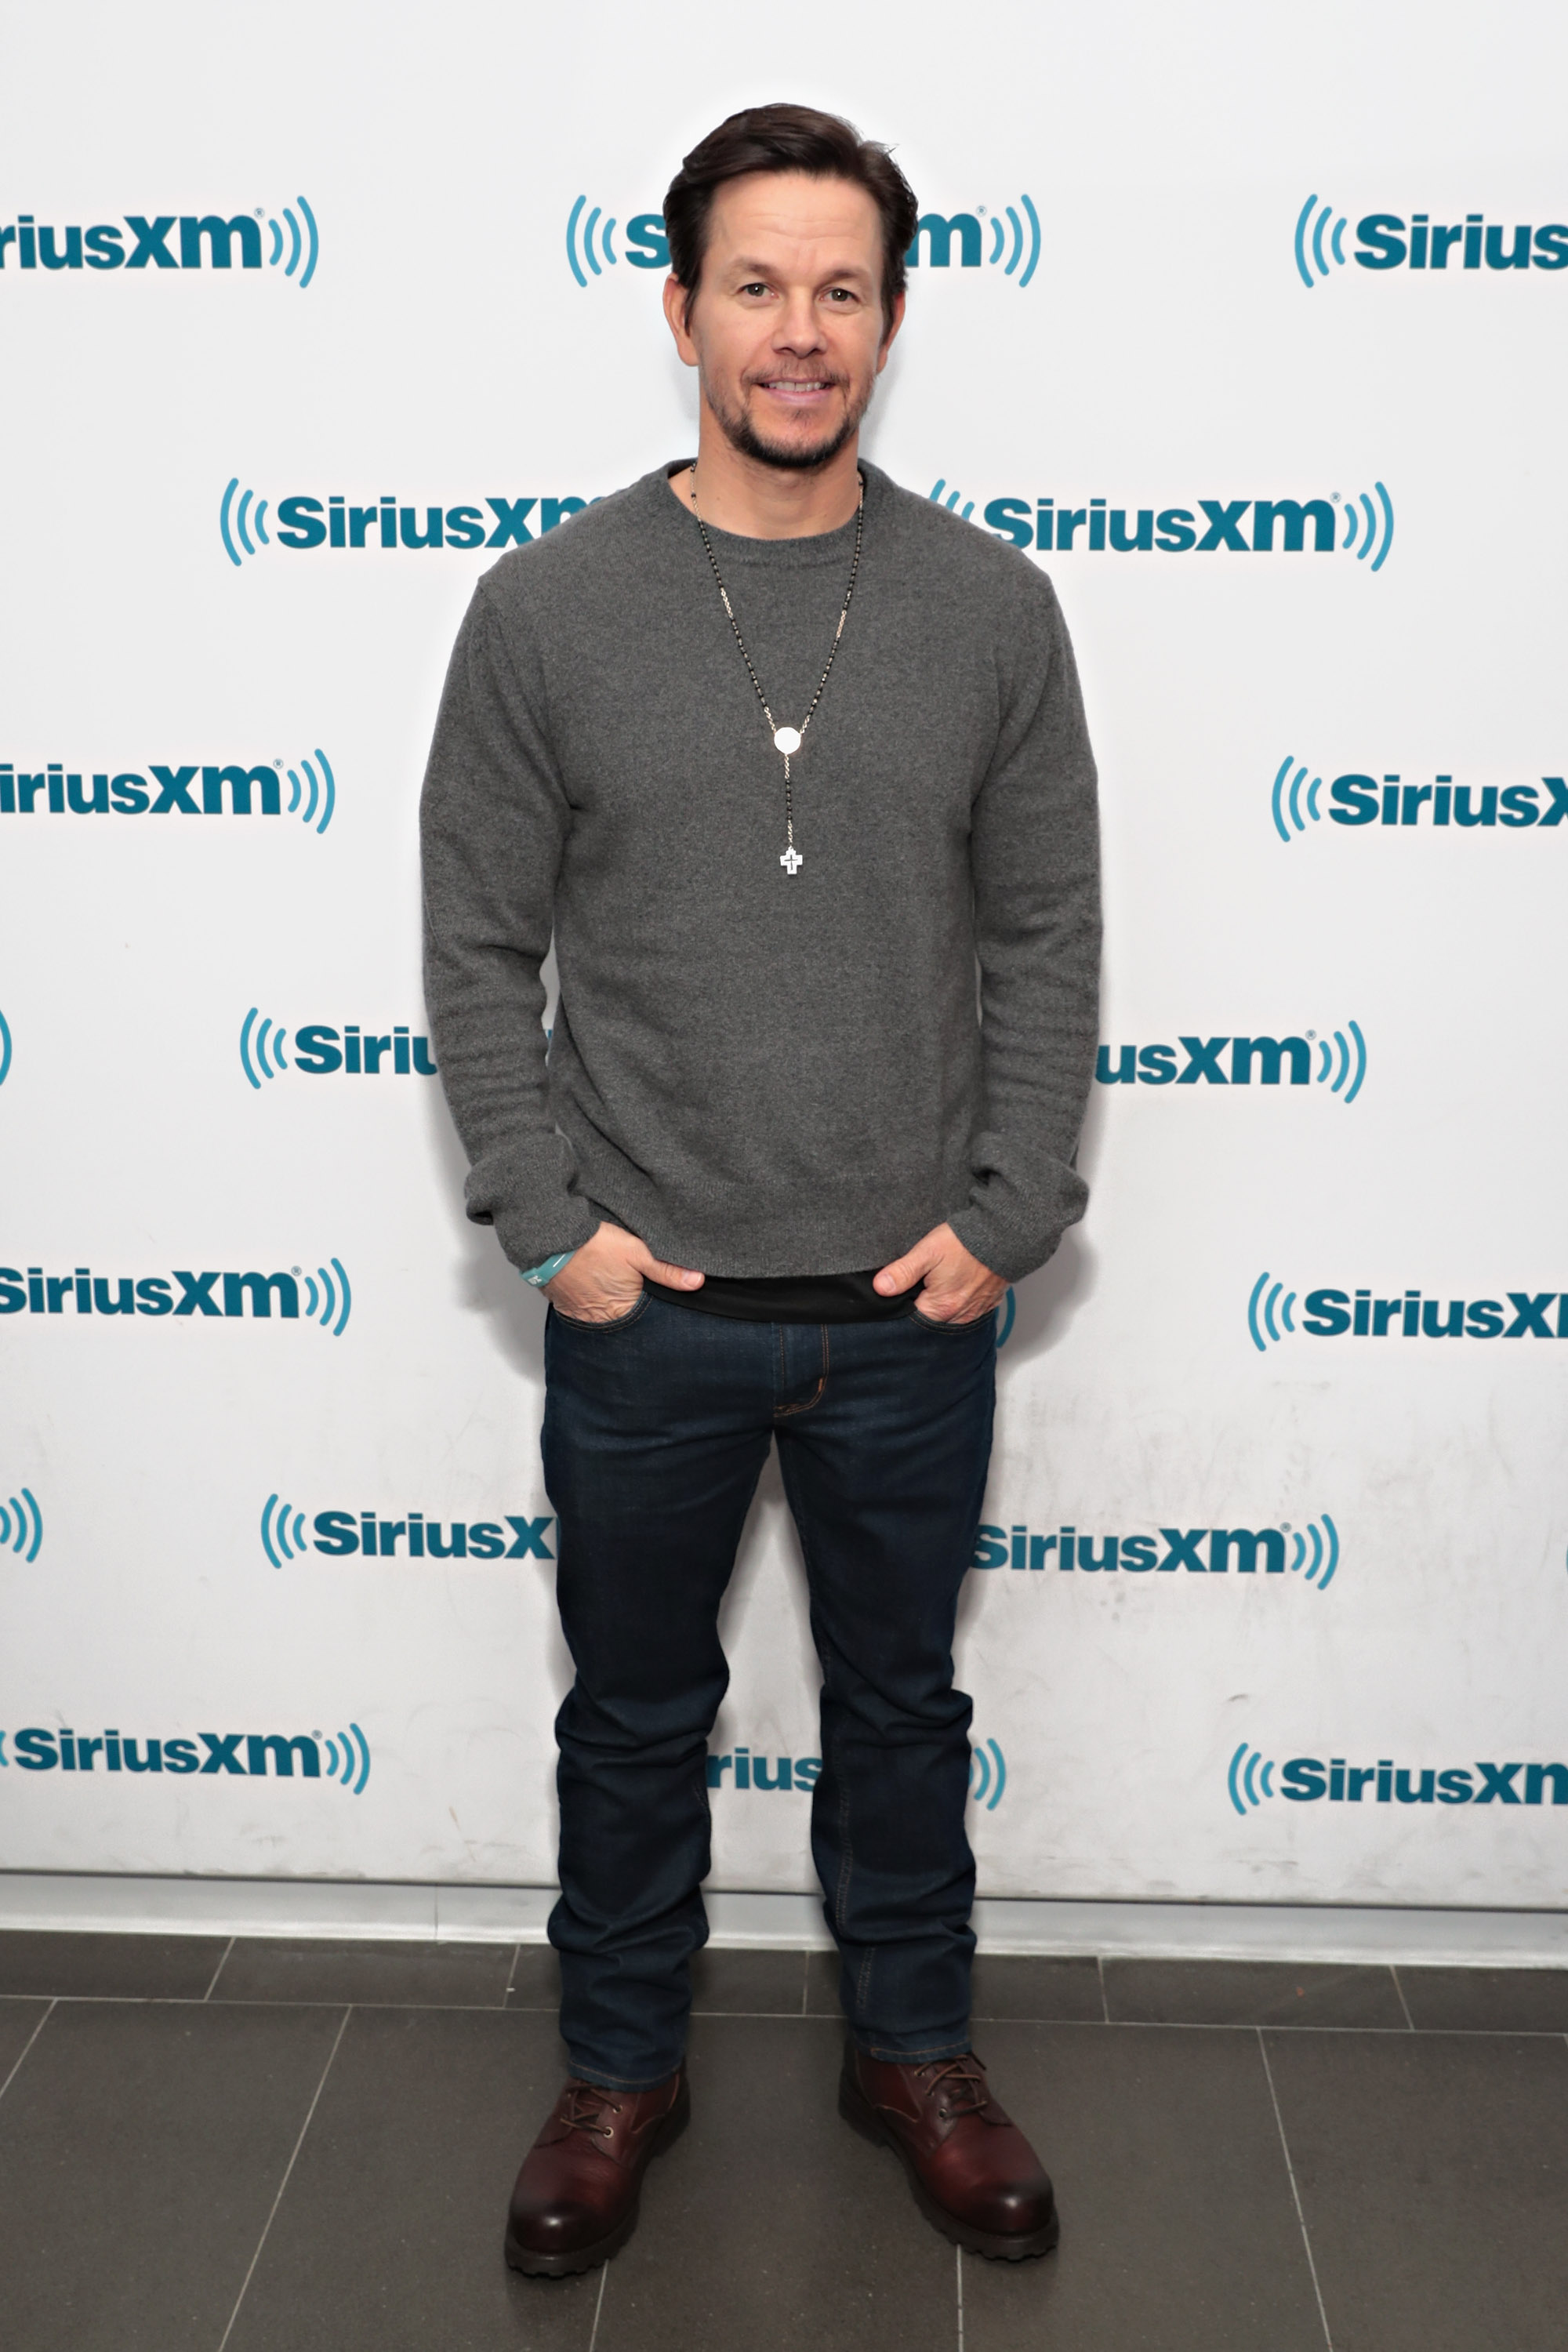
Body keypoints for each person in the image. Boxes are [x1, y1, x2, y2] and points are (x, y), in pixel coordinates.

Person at [419, 101, 1100, 2275]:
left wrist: (1009, 1213)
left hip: (912, 1304)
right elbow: (474, 943)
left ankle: (917, 2049)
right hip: (652, 1307)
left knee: (904, 1713)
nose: (798, 331)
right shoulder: (546, 608)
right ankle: (619, 2068)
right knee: (635, 1722)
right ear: (682, 310)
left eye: (840, 290)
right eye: (756, 286)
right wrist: (553, 1227)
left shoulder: (993, 608)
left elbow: (1048, 936)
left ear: (889, 321)